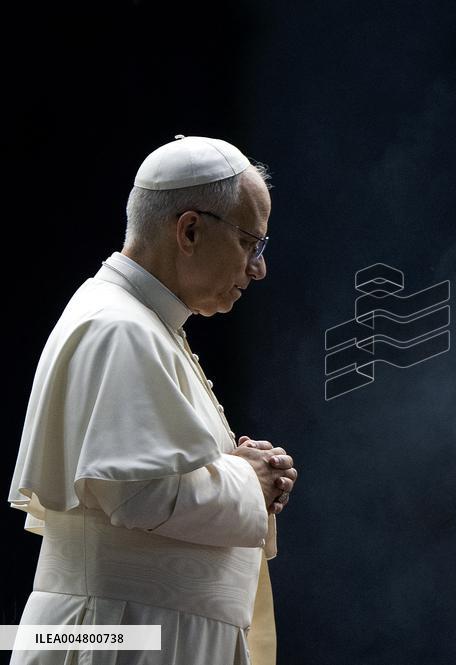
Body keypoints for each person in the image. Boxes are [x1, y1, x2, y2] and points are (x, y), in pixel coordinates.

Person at [8, 135, 298, 665]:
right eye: (249, 243)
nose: (258, 269)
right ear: (189, 230)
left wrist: (242, 470)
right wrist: (247, 479)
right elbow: (139, 493)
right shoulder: (118, 326)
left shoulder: (141, 322)